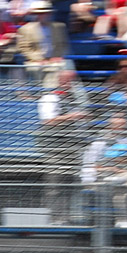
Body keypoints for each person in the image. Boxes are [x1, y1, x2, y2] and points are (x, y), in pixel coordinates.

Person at [36, 70, 88, 224]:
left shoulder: (74, 100)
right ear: (60, 80)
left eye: (73, 80)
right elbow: (48, 121)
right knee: (55, 185)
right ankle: (55, 218)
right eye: (68, 80)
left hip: (72, 148)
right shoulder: (50, 98)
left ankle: (68, 217)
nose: (71, 83)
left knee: (71, 184)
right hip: (55, 150)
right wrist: (72, 116)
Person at [18, 0, 69, 86]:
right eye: (40, 13)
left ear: (49, 14)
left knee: (64, 67)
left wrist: (58, 56)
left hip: (55, 59)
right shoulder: (25, 29)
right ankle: (48, 92)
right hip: (35, 61)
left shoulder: (59, 27)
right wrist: (39, 59)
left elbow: (63, 44)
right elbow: (24, 48)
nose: (43, 15)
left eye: (45, 13)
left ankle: (51, 93)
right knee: (42, 69)